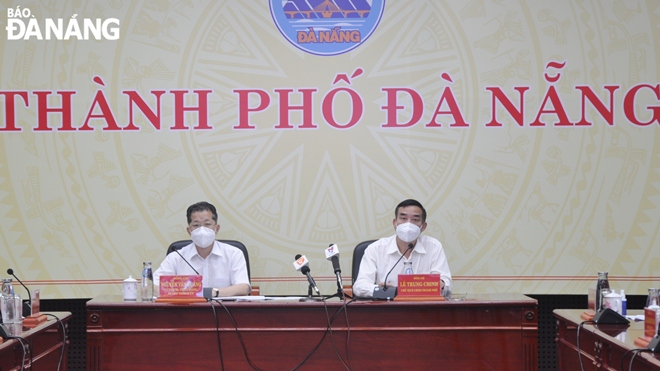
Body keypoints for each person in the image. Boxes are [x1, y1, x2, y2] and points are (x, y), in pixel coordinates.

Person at [352, 199, 452, 298]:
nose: (408, 224)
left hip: (424, 310)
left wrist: (441, 284)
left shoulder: (433, 247)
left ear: (423, 226)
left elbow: (446, 284)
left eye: (415, 220)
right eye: (403, 218)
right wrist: (378, 289)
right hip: (388, 309)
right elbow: (359, 286)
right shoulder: (376, 249)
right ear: (395, 223)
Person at [154, 201, 251, 297]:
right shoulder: (176, 257)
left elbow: (243, 287)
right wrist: (186, 293)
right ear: (189, 231)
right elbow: (151, 287)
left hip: (224, 311)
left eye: (207, 224)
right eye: (196, 225)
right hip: (186, 310)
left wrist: (213, 293)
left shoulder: (233, 253)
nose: (202, 229)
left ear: (216, 229)